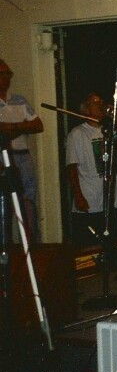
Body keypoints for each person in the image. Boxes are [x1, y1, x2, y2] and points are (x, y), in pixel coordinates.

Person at [65, 92, 117, 247]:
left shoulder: (111, 130)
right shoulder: (77, 133)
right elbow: (71, 167)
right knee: (90, 247)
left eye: (102, 101)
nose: (101, 104)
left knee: (112, 242)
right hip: (90, 198)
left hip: (111, 198)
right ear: (86, 109)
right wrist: (77, 195)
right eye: (95, 102)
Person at [0, 59, 44, 243]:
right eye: (2, 74)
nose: (6, 78)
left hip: (23, 157)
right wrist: (21, 127)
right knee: (4, 203)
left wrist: (13, 127)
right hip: (2, 159)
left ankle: (30, 244)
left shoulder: (19, 100)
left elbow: (37, 124)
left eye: (8, 74)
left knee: (27, 201)